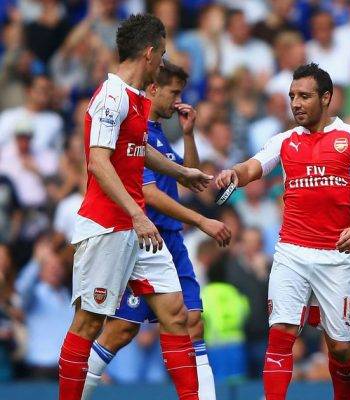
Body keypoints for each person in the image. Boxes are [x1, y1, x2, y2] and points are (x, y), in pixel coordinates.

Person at [57, 14, 212, 400]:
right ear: (148, 52)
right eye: (161, 54)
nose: (162, 62)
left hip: (137, 230)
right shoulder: (110, 98)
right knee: (89, 323)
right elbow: (98, 162)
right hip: (109, 226)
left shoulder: (138, 98)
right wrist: (139, 214)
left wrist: (182, 172)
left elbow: (137, 153)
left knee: (177, 314)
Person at [214, 63, 350, 400]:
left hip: (338, 256)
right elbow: (254, 166)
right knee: (281, 333)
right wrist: (234, 173)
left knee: (339, 348)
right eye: (292, 96)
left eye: (304, 96)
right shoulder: (284, 140)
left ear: (326, 98)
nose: (296, 103)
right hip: (292, 251)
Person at [80, 61, 232, 400]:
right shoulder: (137, 133)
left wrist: (189, 132)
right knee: (120, 330)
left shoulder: (160, 133)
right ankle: (78, 391)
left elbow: (188, 177)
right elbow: (149, 194)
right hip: (146, 241)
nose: (177, 100)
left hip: (172, 239)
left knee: (193, 322)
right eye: (173, 92)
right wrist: (202, 221)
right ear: (154, 90)